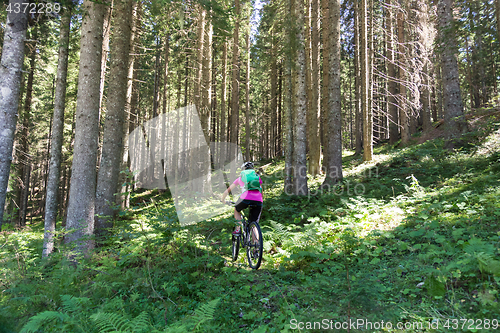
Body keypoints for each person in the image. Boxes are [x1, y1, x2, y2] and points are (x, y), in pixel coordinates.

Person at [220, 162, 263, 235]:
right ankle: (256, 244)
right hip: (258, 200)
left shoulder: (240, 179)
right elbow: (261, 190)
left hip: (245, 198)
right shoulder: (257, 177)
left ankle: (238, 229)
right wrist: (261, 200)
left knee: (237, 209)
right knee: (254, 224)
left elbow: (227, 191)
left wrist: (223, 200)